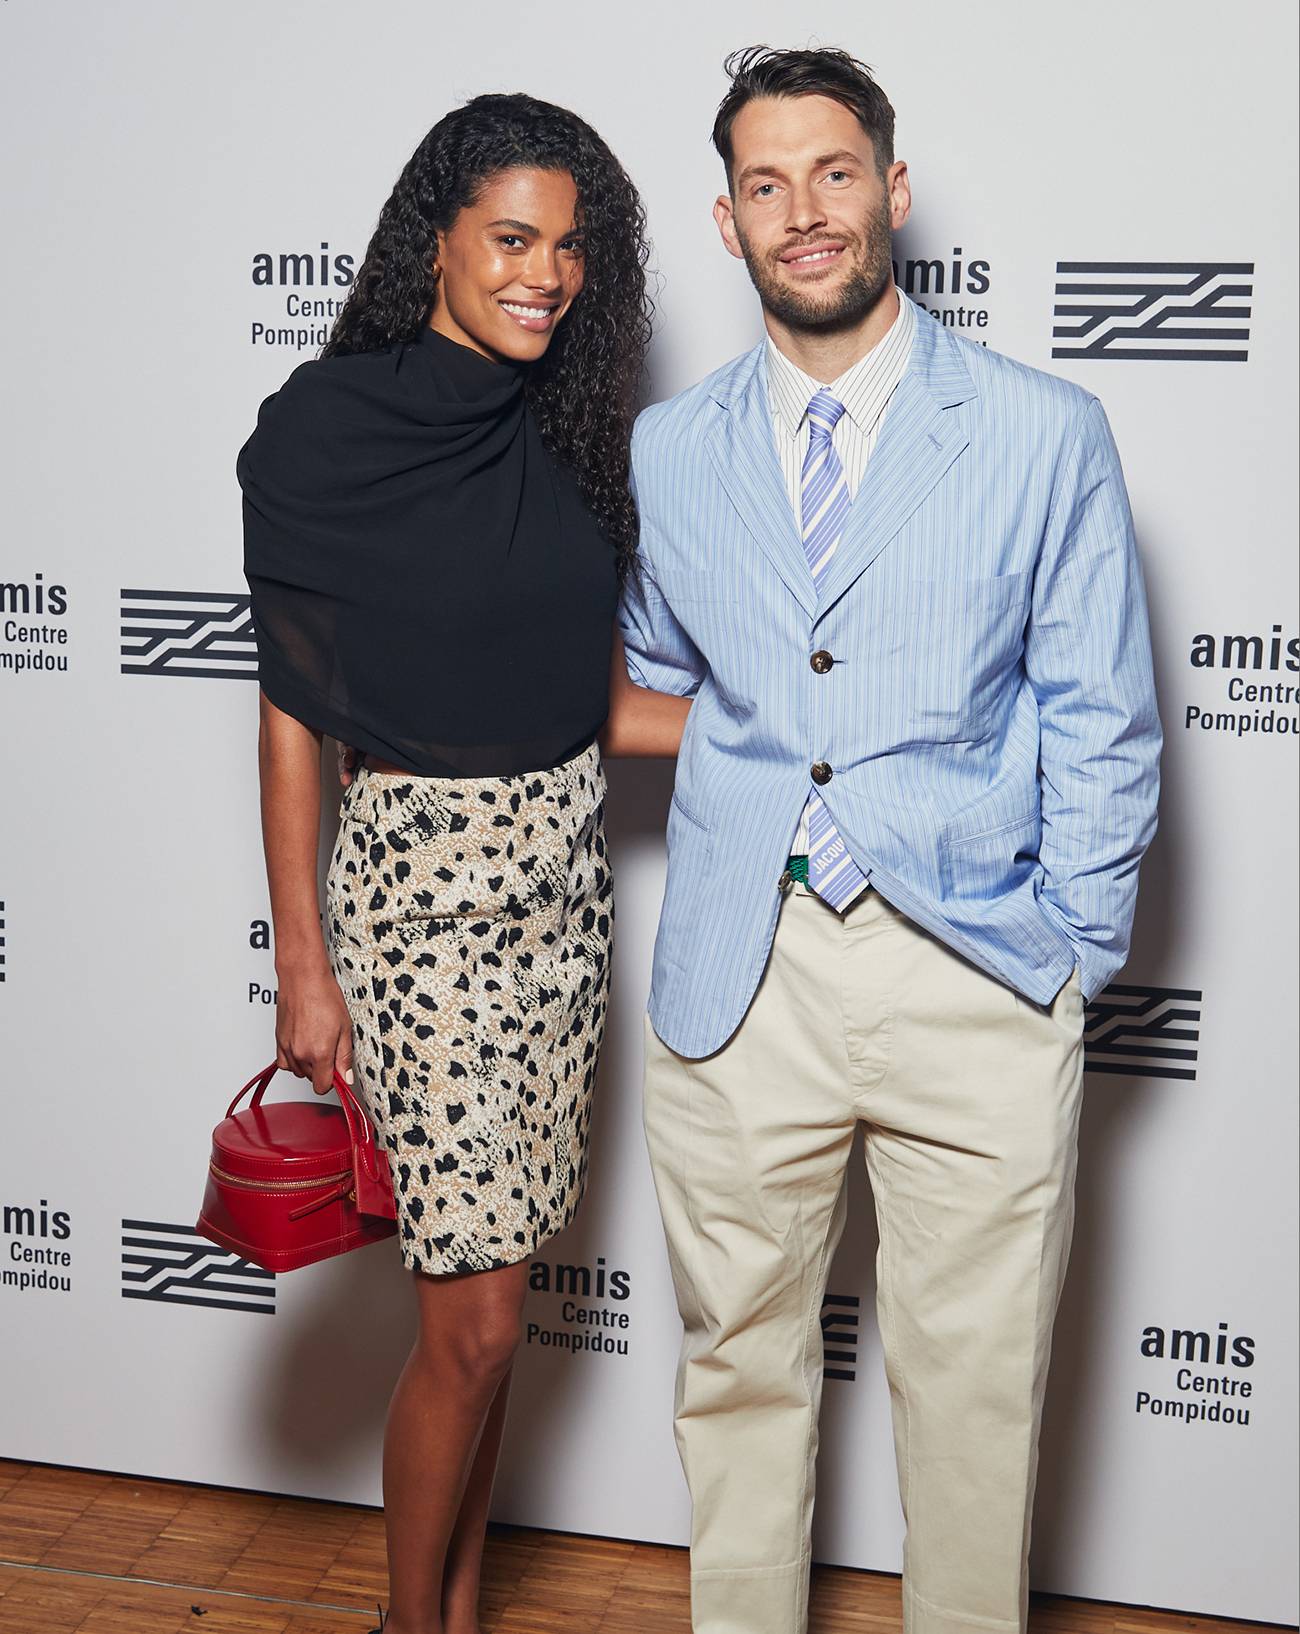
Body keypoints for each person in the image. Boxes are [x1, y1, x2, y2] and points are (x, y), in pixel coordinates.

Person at [620, 45, 1162, 1634]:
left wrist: (1066, 954)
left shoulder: (1045, 430)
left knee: (978, 1395)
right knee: (736, 1376)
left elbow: (1104, 719)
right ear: (726, 223)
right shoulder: (671, 450)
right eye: (767, 185)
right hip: (740, 975)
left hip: (978, 973)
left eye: (834, 172)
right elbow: (657, 678)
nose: (806, 212)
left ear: (893, 190)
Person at [239, 94, 686, 1634]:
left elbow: (588, 704)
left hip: (561, 897)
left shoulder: (562, 443)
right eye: (512, 238)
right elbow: (294, 710)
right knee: (479, 1322)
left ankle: (464, 1610)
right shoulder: (325, 429)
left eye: (568, 249)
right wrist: (305, 961)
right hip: (420, 906)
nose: (542, 275)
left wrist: (805, 727)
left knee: (494, 1321)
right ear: (435, 234)